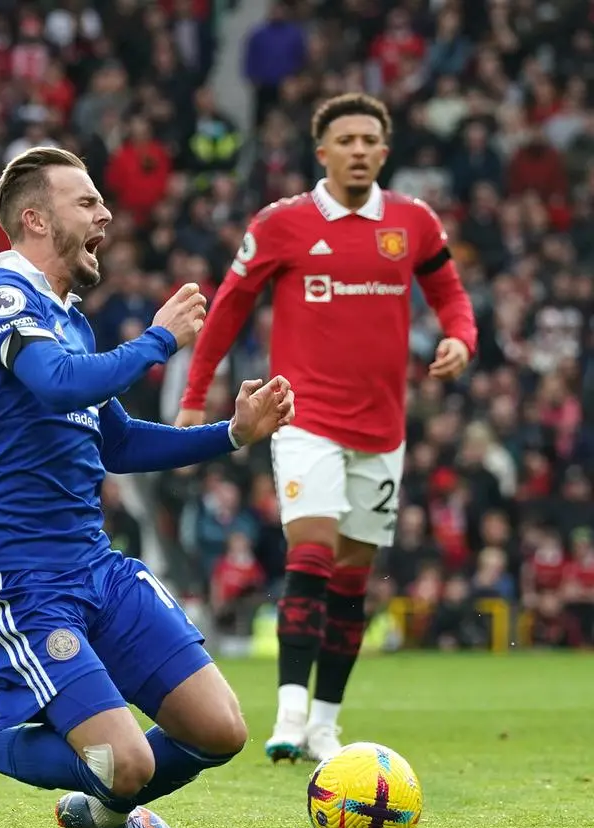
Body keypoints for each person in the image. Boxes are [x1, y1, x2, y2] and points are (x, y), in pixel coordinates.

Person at [0, 147, 295, 828]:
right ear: (33, 219)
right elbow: (58, 383)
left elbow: (114, 442)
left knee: (220, 728)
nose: (104, 213)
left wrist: (232, 434)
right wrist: (157, 341)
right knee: (124, 760)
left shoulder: (70, 319)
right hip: (18, 577)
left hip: (95, 565)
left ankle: (103, 811)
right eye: (85, 202)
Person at [175, 93, 478, 763]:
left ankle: (324, 724)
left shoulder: (413, 222)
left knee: (351, 581)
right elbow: (228, 308)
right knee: (309, 553)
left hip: (382, 429)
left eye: (371, 138)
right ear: (323, 152)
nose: (360, 149)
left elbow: (452, 295)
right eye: (347, 140)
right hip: (303, 416)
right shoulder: (283, 223)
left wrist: (462, 338)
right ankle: (288, 712)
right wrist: (197, 395)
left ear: (385, 149)